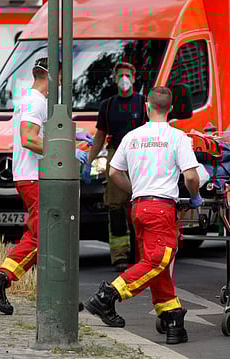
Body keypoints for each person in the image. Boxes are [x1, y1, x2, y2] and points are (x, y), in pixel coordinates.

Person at [84, 86, 203, 345]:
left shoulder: (132, 137)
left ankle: (172, 317)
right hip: (161, 207)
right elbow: (191, 175)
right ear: (169, 108)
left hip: (139, 207)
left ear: (147, 106)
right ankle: (108, 295)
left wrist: (135, 189)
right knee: (158, 261)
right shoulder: (177, 137)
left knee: (155, 265)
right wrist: (194, 197)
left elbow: (114, 173)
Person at [0, 57, 89, 315]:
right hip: (34, 178)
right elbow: (29, 138)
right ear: (54, 76)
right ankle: (2, 278)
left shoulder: (33, 101)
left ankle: (60, 293)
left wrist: (73, 135)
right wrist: (65, 151)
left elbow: (41, 134)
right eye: (61, 77)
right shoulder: (35, 101)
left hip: (32, 177)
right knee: (45, 237)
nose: (62, 82)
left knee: (49, 235)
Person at [82, 62, 149, 272]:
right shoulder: (108, 105)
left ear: (134, 77)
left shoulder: (143, 103)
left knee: (143, 203)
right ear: (114, 79)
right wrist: (88, 161)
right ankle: (119, 256)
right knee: (115, 207)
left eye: (127, 74)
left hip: (141, 155)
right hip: (116, 155)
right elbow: (100, 136)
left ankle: (143, 254)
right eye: (120, 75)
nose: (124, 79)